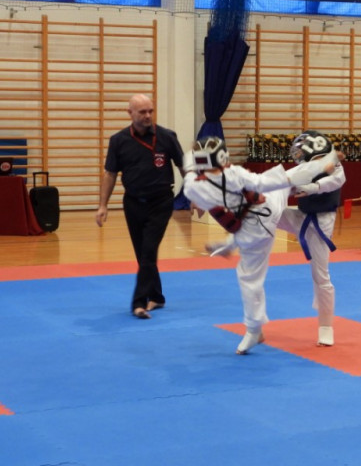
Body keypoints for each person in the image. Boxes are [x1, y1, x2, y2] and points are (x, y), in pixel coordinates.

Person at [182, 136, 336, 355]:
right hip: (269, 207)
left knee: (249, 278)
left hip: (255, 231)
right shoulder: (235, 174)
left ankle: (254, 330)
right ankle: (230, 244)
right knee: (281, 180)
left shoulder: (193, 187)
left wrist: (192, 169)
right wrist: (320, 166)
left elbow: (190, 169)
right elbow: (272, 181)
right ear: (223, 157)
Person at [95, 94, 184, 319]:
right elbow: (110, 174)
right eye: (142, 112)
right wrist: (102, 205)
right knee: (143, 253)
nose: (148, 116)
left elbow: (185, 168)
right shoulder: (119, 140)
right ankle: (157, 296)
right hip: (133, 202)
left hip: (161, 201)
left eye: (150, 111)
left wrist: (195, 196)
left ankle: (139, 302)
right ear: (130, 113)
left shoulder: (167, 137)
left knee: (148, 251)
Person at [277, 131, 345, 347]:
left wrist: (313, 188)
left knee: (320, 276)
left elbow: (336, 181)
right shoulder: (304, 168)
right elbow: (282, 182)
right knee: (263, 210)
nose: (298, 157)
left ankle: (326, 327)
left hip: (320, 223)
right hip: (300, 216)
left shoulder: (334, 165)